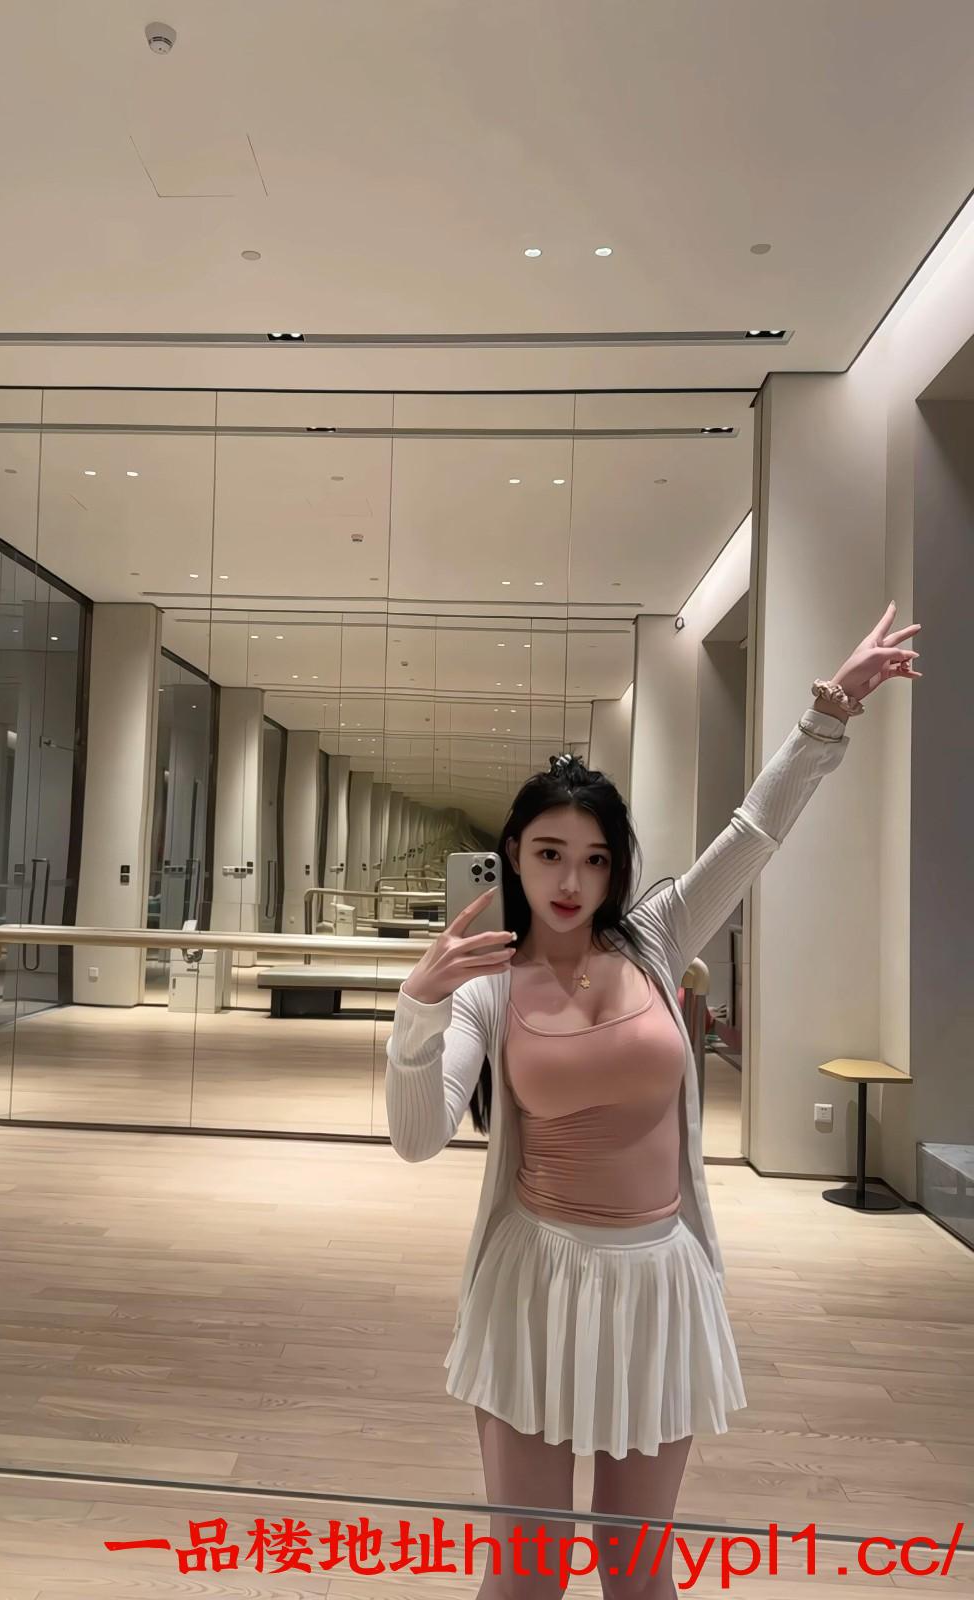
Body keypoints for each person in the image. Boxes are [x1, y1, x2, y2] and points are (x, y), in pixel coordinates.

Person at [385, 604, 921, 1599]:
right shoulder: (487, 986)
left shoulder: (656, 936)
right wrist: (418, 1011)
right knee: (528, 1578)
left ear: (617, 865)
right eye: (550, 852)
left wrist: (828, 715)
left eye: (594, 858)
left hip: (657, 1280)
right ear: (514, 851)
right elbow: (418, 1138)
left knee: (638, 1575)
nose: (571, 880)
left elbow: (754, 833)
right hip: (535, 1281)